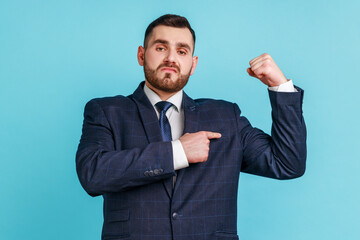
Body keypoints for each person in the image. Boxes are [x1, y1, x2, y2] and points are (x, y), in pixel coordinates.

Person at [76, 14, 306, 240]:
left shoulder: (226, 117)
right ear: (141, 55)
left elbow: (287, 164)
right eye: (160, 48)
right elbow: (93, 173)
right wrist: (178, 152)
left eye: (182, 51)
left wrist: (280, 87)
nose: (171, 58)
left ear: (193, 64)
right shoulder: (107, 111)